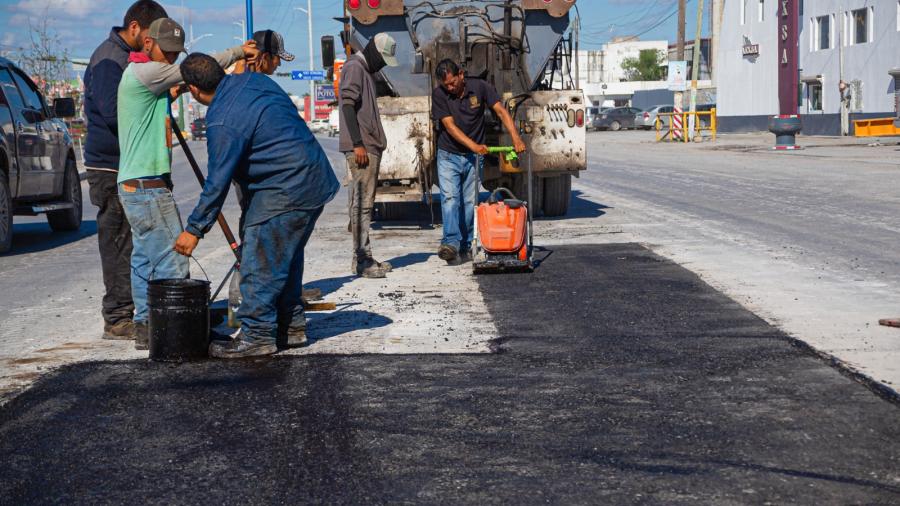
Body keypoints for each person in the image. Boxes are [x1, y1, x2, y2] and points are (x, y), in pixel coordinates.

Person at [173, 53, 339, 359]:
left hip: (284, 188)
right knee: (284, 259)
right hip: (315, 179)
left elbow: (217, 181)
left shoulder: (222, 119)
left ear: (193, 90)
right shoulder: (255, 80)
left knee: (260, 262)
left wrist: (194, 229)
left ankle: (257, 335)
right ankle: (291, 327)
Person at [117, 18, 259, 350]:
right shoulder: (146, 73)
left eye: (175, 53)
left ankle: (145, 325)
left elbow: (178, 83)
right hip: (148, 188)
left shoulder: (141, 76)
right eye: (167, 52)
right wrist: (240, 50)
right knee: (173, 259)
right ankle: (181, 332)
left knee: (144, 259)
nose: (171, 59)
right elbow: (200, 69)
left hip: (134, 186)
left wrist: (177, 87)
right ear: (148, 43)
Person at [83, 0, 168, 342]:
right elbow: (113, 112)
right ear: (135, 28)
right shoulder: (109, 59)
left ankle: (140, 309)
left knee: (138, 242)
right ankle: (118, 317)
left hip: (130, 163)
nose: (151, 44)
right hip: (111, 164)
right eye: (150, 36)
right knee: (119, 241)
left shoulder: (130, 59)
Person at [431, 59, 526, 265]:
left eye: (453, 83)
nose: (450, 88)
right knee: (449, 198)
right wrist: (474, 145)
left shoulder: (481, 87)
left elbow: (501, 111)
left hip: (473, 159)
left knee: (468, 202)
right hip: (449, 154)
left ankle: (465, 245)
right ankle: (450, 243)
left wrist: (515, 137)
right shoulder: (439, 94)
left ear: (461, 75)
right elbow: (450, 126)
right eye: (445, 85)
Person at [339, 33, 399, 278]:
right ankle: (362, 261)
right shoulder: (355, 67)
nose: (383, 64)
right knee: (362, 206)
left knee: (364, 205)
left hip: (368, 146)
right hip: (361, 148)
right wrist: (358, 144)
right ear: (373, 50)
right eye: (382, 59)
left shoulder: (364, 70)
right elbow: (347, 104)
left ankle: (363, 257)